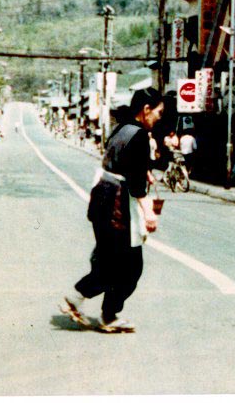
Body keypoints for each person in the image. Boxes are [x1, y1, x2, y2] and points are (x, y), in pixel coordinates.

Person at [61, 88, 163, 334]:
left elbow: (123, 163)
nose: (159, 117)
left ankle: (99, 310)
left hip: (102, 198)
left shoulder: (121, 129)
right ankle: (87, 305)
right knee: (128, 267)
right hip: (118, 206)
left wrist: (142, 172)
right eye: (158, 112)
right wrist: (149, 213)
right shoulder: (139, 136)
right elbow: (137, 186)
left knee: (111, 261)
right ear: (146, 110)